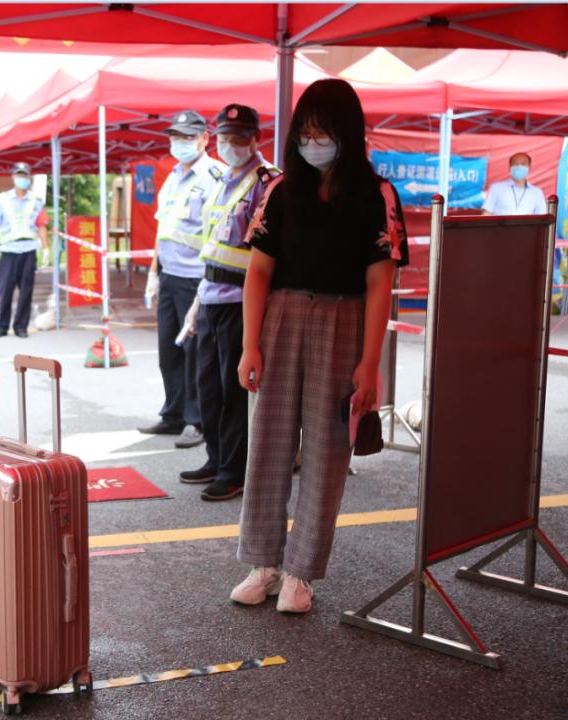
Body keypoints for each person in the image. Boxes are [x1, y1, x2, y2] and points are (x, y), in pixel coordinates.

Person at [232, 79, 409, 614]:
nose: (313, 143)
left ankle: (301, 574)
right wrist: (249, 347)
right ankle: (263, 563)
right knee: (268, 443)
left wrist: (370, 364)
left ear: (347, 135)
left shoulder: (377, 195)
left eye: (324, 133)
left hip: (344, 318)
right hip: (280, 317)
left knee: (329, 452)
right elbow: (258, 272)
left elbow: (381, 282)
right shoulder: (282, 191)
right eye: (306, 133)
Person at [179, 104, 279, 501]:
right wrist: (199, 299)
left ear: (256, 139)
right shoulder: (221, 179)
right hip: (212, 294)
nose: (230, 145)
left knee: (233, 388)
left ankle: (234, 470)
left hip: (242, 298)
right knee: (208, 386)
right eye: (224, 138)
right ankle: (216, 457)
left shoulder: (266, 182)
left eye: (239, 138)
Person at [139, 110, 227, 450]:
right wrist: (152, 273)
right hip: (169, 274)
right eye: (176, 137)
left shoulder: (213, 175)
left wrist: (208, 281)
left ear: (205, 139)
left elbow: (218, 231)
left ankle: (196, 419)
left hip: (196, 277)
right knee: (168, 350)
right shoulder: (173, 176)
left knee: (194, 352)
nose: (181, 143)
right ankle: (173, 412)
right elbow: (164, 231)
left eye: (189, 137)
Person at [0, 162, 50, 338]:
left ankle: (21, 326)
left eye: (25, 176)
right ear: (13, 177)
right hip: (8, 251)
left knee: (26, 291)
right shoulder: (2, 199)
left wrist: (46, 249)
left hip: (28, 250)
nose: (22, 179)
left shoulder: (36, 201)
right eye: (19, 175)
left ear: (29, 178)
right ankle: (1, 326)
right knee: (5, 290)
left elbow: (42, 225)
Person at [482, 152, 547, 215]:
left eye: (523, 164)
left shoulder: (537, 192)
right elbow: (486, 214)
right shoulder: (496, 188)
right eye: (515, 164)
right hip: (501, 226)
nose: (519, 166)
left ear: (529, 167)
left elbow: (542, 218)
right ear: (510, 167)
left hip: (527, 226)